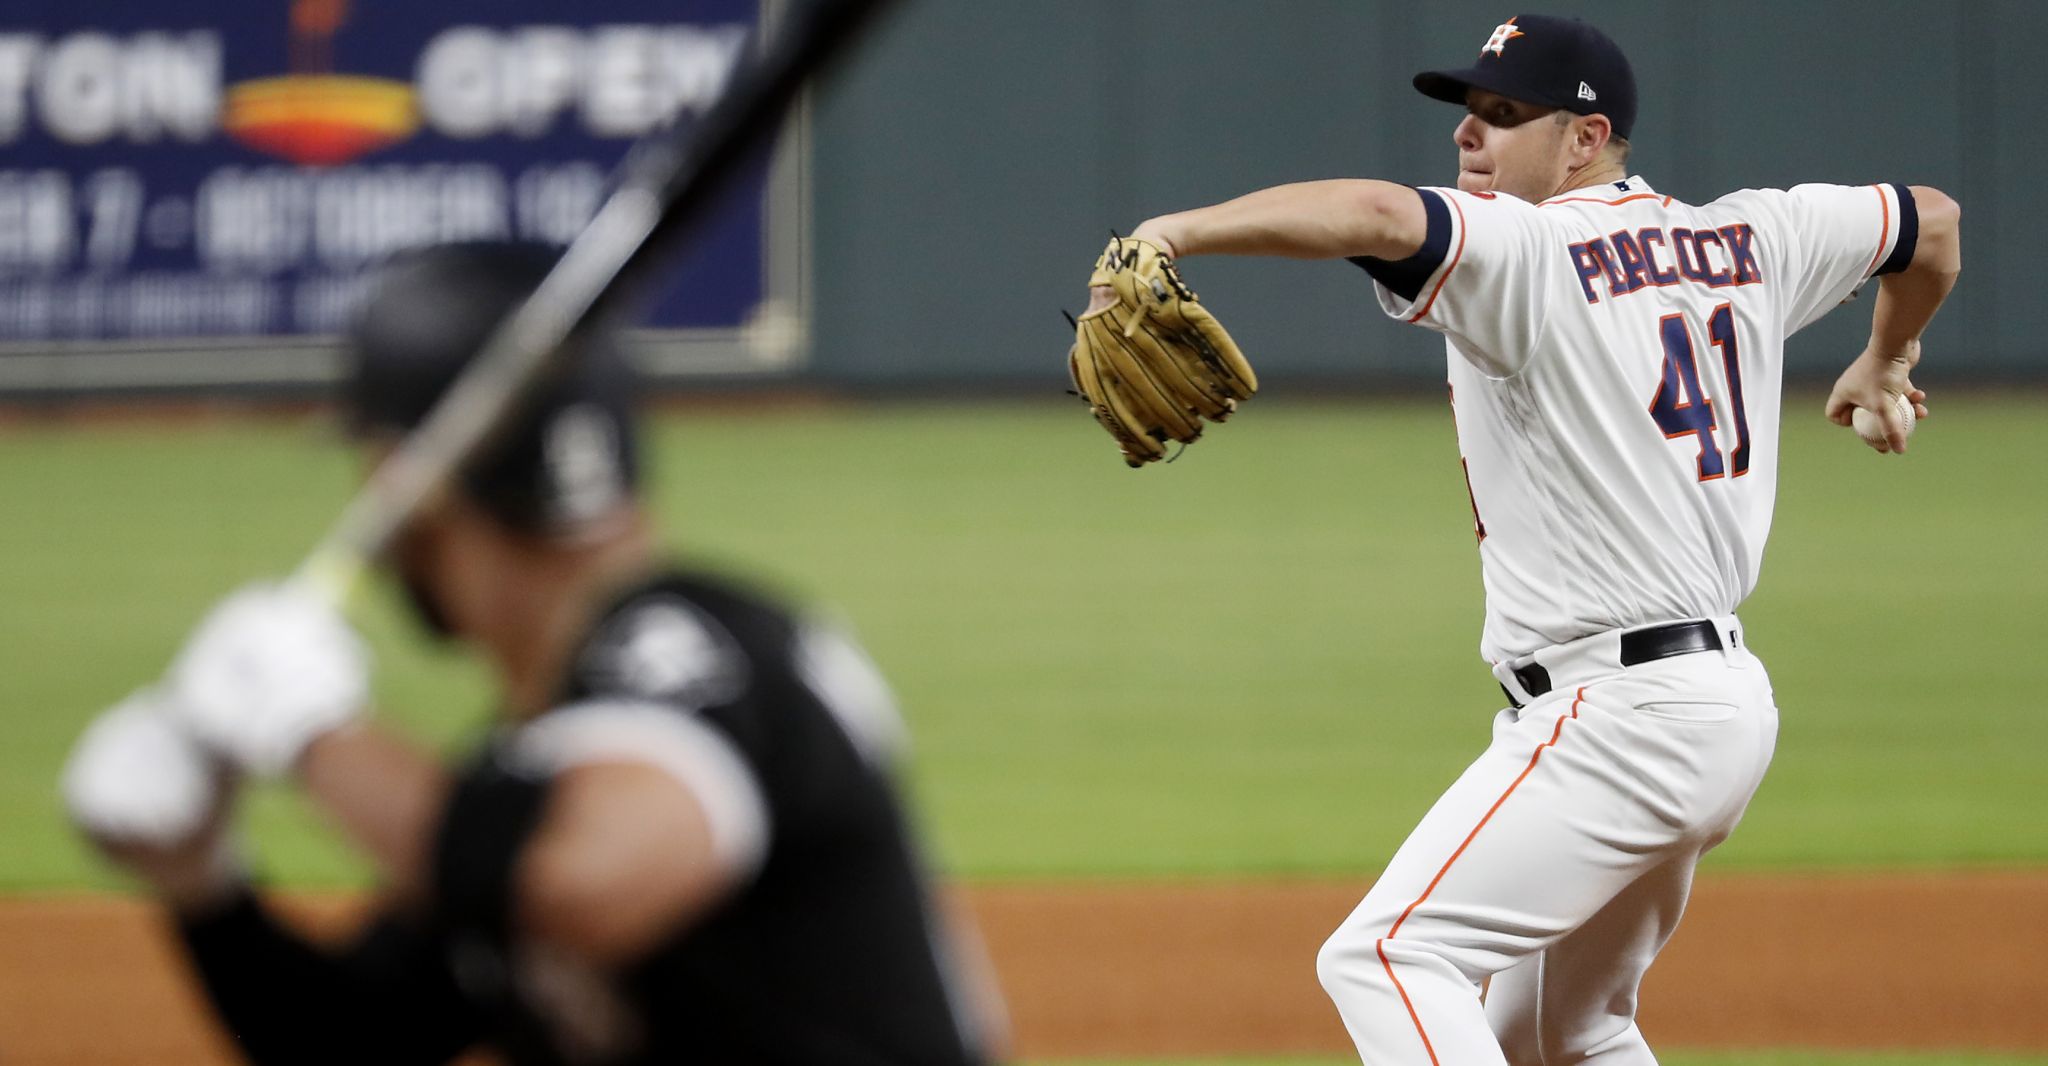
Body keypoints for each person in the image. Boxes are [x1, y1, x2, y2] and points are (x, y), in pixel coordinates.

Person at [1086, 13, 1959, 1065]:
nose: (1467, 137)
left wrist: (1168, 232)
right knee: (1569, 1030)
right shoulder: (1755, 236)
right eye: (1466, 114)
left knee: (1384, 959)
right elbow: (1931, 222)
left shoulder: (1531, 247)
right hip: (1719, 709)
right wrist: (1886, 355)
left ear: (1583, 140)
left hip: (1617, 718)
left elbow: (1369, 211)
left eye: (1502, 116)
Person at [62, 241, 1003, 1066]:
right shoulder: (532, 774)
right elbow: (351, 1033)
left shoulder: (695, 652)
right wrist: (201, 882)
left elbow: (584, 885)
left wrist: (311, 731)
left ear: (403, 482)